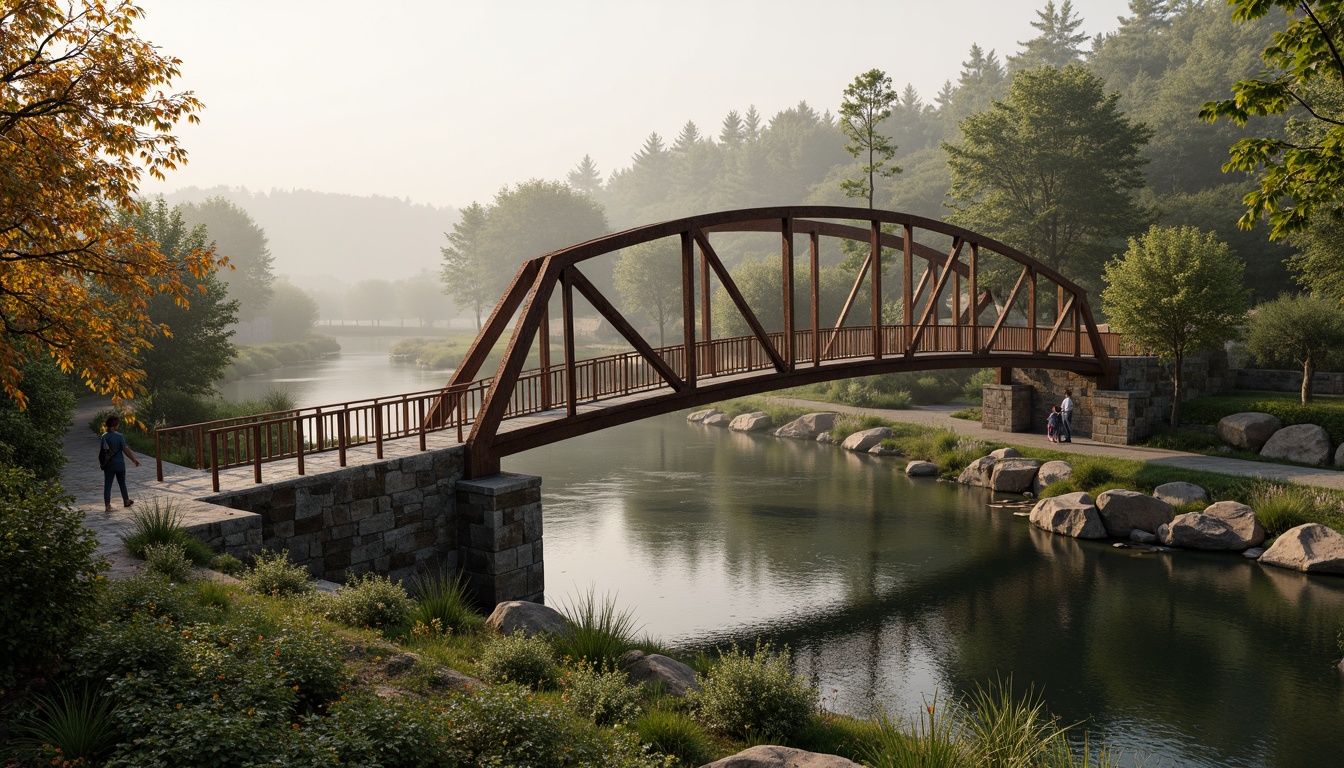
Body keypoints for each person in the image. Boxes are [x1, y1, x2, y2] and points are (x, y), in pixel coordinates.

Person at [101, 415, 140, 512]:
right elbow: (126, 450)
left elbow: (103, 451)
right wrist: (133, 459)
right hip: (120, 465)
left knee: (108, 485)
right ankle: (126, 500)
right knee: (122, 483)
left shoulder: (104, 437)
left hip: (109, 465)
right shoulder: (119, 436)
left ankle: (107, 504)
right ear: (115, 425)